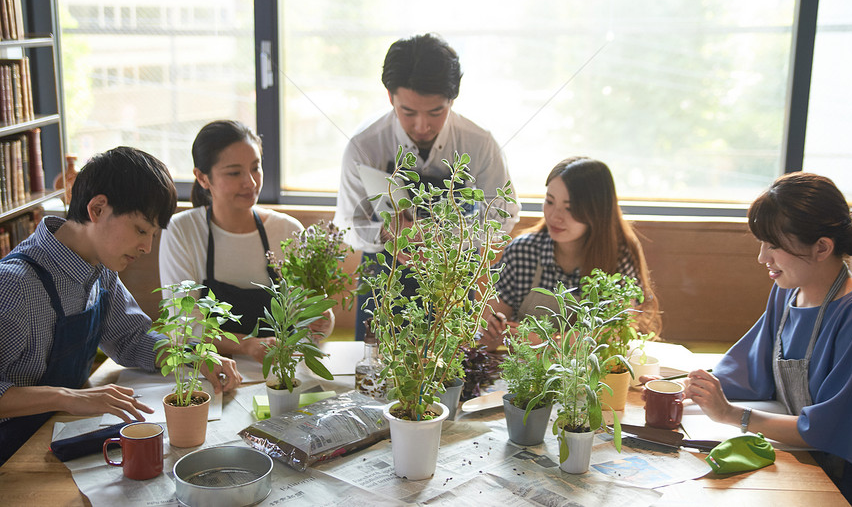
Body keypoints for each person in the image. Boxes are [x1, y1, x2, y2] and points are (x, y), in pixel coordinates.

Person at [0, 146, 242, 465]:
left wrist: (195, 355)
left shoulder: (101, 269)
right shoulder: (14, 285)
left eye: (153, 234)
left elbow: (132, 340)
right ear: (98, 209)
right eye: (141, 230)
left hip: (57, 436)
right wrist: (68, 397)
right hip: (13, 454)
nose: (146, 247)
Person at [683, 172, 852, 503]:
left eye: (774, 245)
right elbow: (749, 370)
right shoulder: (787, 294)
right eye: (762, 244)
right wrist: (690, 388)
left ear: (822, 247)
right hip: (802, 461)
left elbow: (825, 429)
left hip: (843, 482)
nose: (763, 258)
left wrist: (731, 415)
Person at [333, 33, 520, 340]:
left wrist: (456, 236)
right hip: (385, 284)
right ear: (390, 97)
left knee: (452, 371)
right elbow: (346, 225)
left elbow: (505, 214)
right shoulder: (364, 144)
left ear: (452, 100)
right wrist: (385, 232)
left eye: (436, 112)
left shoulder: (480, 143)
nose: (422, 126)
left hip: (452, 285)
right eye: (408, 112)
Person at [159, 121, 332, 363]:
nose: (250, 183)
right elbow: (183, 322)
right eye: (234, 173)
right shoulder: (182, 231)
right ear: (202, 177)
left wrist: (321, 320)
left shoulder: (288, 230)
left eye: (255, 168)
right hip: (209, 371)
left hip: (284, 369)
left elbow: (309, 316)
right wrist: (247, 345)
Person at [482, 157, 659, 349]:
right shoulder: (523, 251)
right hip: (524, 369)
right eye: (550, 201)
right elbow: (493, 320)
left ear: (596, 211)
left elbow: (616, 330)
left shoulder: (619, 256)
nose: (555, 216)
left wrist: (550, 342)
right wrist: (493, 326)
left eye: (570, 208)